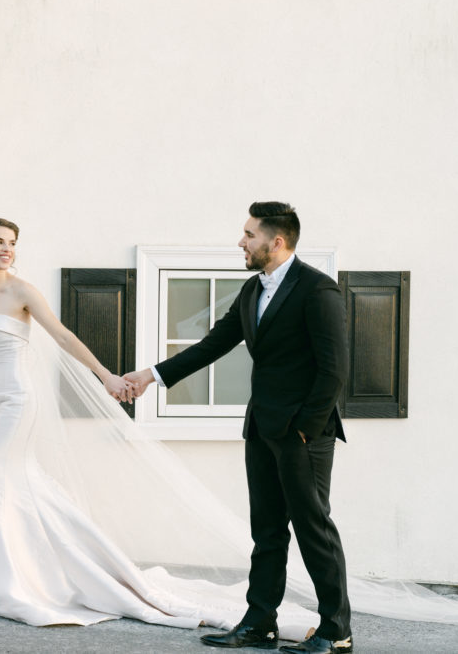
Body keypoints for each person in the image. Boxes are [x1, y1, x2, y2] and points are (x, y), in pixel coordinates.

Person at [0, 218, 257, 630]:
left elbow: (62, 336)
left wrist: (107, 376)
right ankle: (4, 570)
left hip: (19, 400)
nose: (7, 249)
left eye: (13, 243)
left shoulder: (22, 291)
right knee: (9, 486)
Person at [125, 202, 351, 653]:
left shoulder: (317, 290)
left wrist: (305, 429)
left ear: (277, 241)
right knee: (266, 531)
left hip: (303, 435)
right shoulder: (251, 291)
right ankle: (260, 622)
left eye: (249, 234)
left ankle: (336, 630)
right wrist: (151, 376)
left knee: (312, 528)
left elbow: (334, 370)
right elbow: (211, 345)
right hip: (261, 428)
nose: (241, 241)